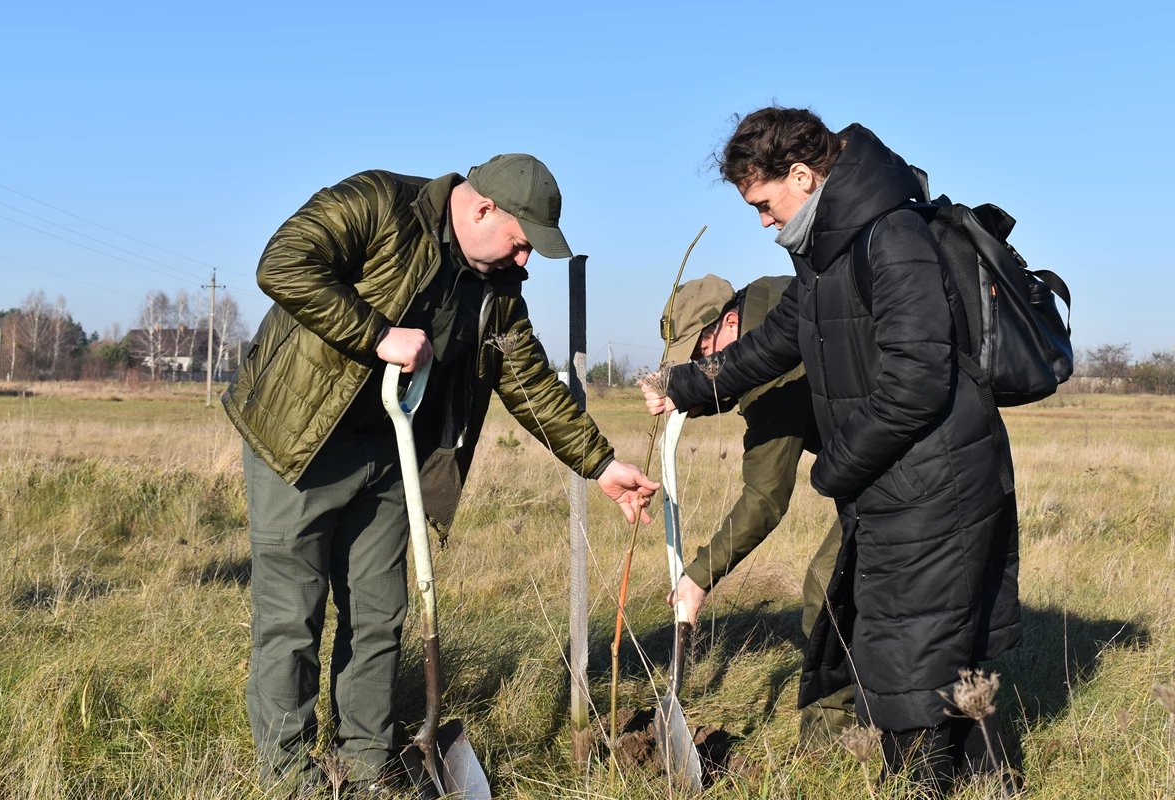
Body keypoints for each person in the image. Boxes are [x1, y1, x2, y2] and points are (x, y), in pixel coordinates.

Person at [222, 154, 659, 794]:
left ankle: (368, 765)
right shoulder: (377, 205)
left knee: (379, 615)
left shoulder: (498, 290)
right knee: (293, 617)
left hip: (396, 457)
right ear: (483, 209)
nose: (525, 261)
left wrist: (600, 463)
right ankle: (288, 778)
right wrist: (377, 335)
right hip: (302, 443)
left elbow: (528, 380)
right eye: (521, 242)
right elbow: (283, 263)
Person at [644, 108, 1022, 794]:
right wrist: (688, 386)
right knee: (925, 649)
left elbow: (916, 379)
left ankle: (933, 785)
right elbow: (773, 342)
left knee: (911, 656)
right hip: (898, 482)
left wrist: (836, 466)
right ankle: (987, 782)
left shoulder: (890, 236)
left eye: (763, 202)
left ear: (801, 173)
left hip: (936, 481)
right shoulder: (827, 252)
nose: (761, 220)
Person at [653, 273, 853, 747]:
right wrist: (682, 393)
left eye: (700, 356)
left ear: (728, 323)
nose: (700, 366)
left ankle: (834, 744)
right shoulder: (770, 299)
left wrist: (699, 577)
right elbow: (727, 375)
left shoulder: (774, 368)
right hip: (895, 449)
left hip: (908, 457)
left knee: (832, 586)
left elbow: (765, 499)